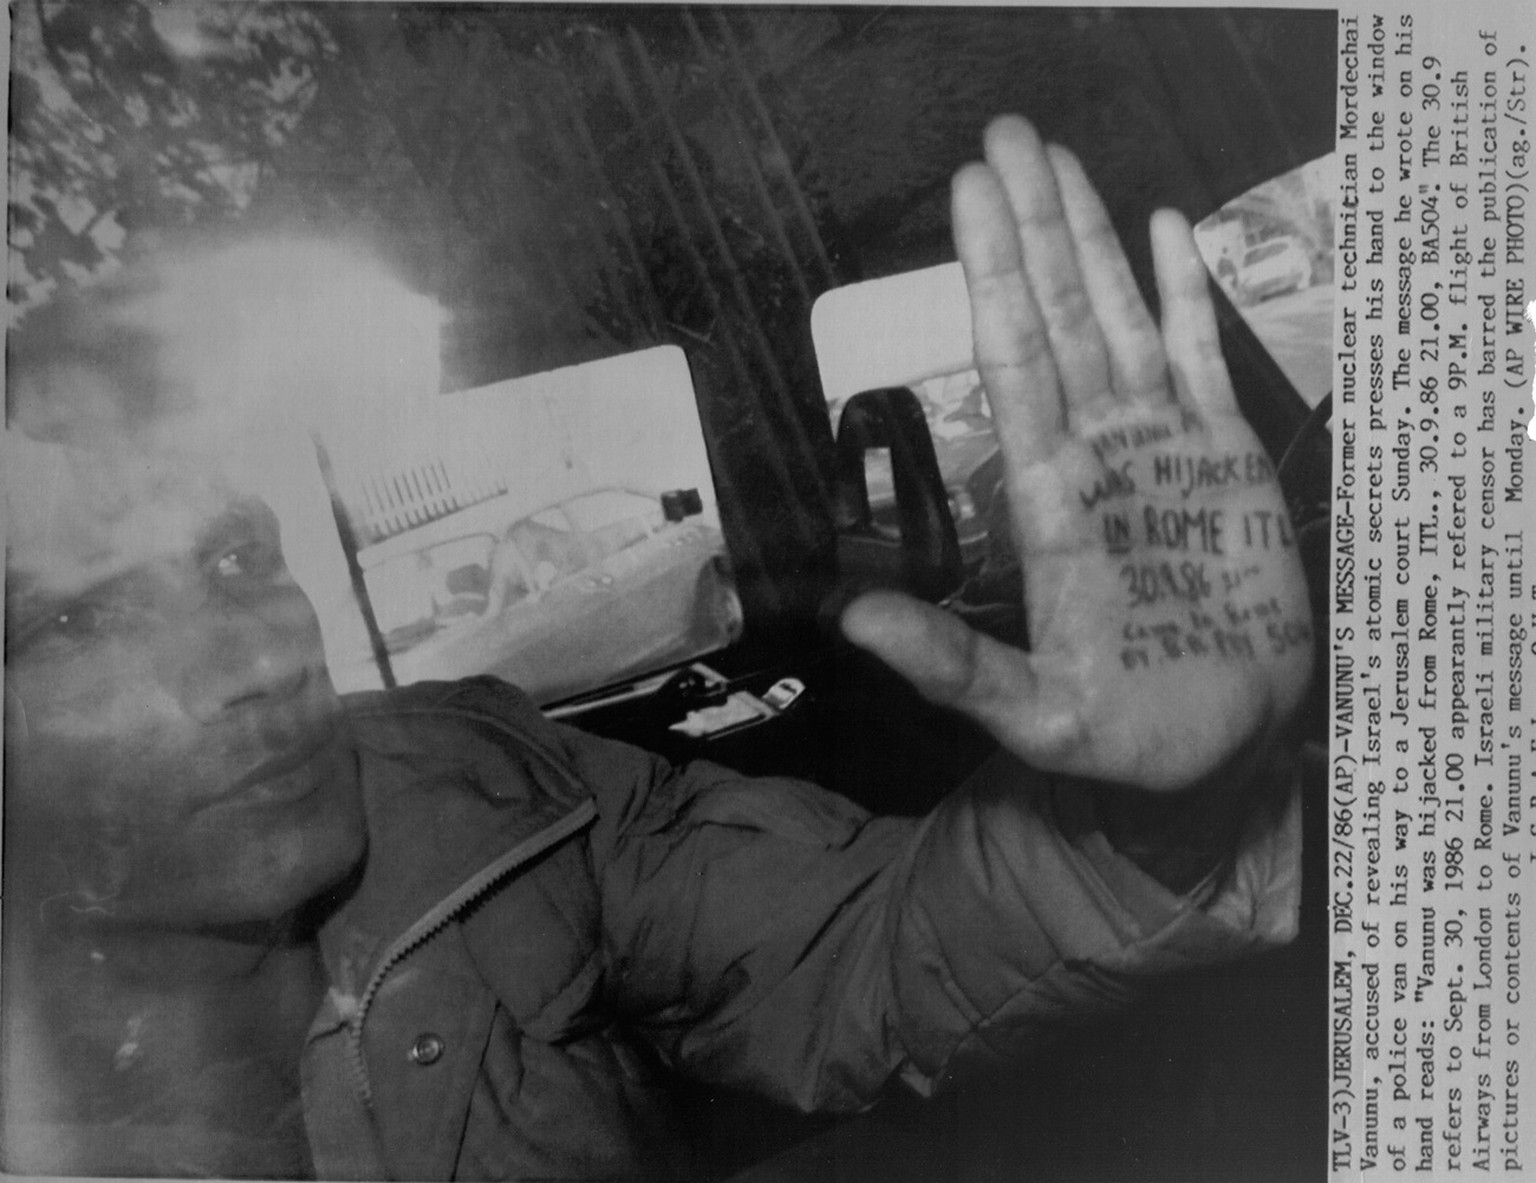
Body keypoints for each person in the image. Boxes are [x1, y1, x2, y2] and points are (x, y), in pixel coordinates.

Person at [2, 117, 1312, 1180]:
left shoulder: (466, 785)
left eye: (239, 559)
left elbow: (856, 951)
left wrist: (1156, 814)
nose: (254, 663)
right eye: (76, 620)